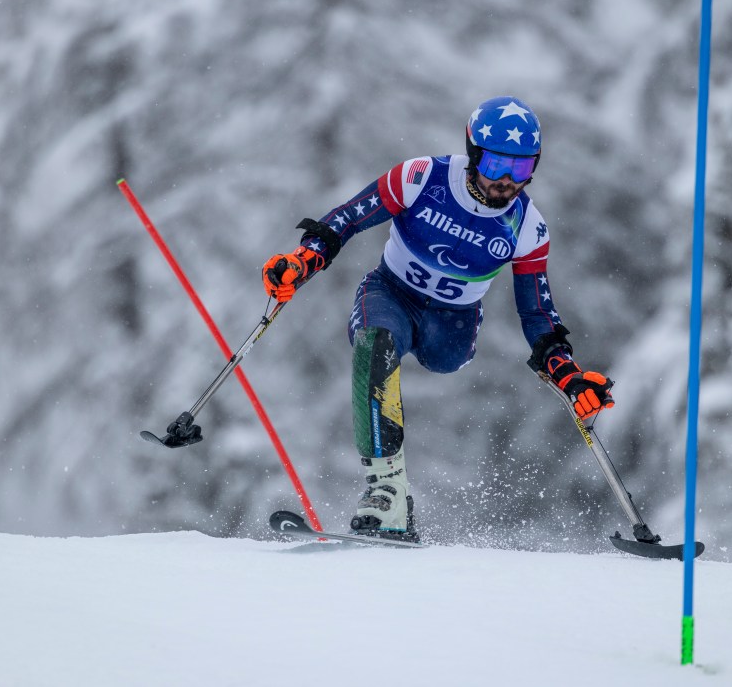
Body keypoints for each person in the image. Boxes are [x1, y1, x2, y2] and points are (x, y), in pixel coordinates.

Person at [261, 95, 614, 542]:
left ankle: (394, 497)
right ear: (472, 152)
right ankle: (387, 491)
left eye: (521, 169)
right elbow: (348, 219)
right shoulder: (421, 177)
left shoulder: (527, 226)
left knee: (443, 358)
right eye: (496, 164)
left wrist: (567, 374)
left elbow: (537, 311)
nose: (506, 180)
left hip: (453, 324)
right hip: (389, 293)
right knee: (375, 344)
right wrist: (304, 259)